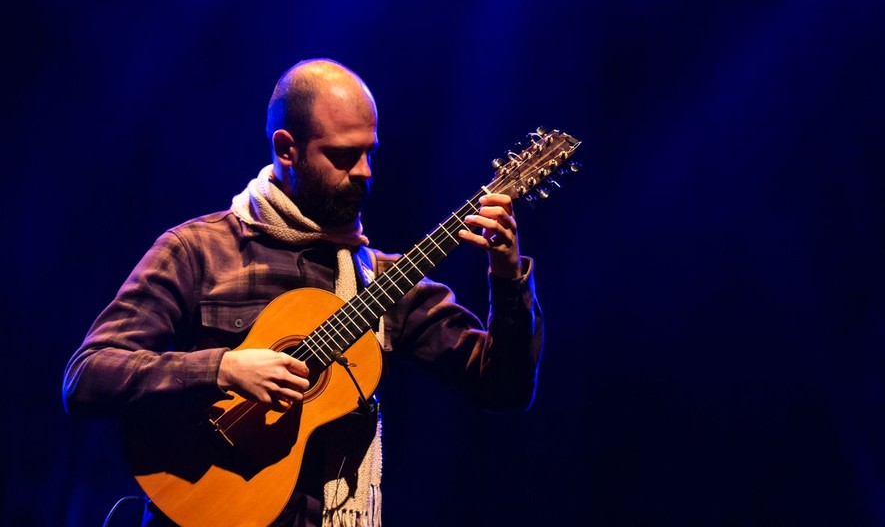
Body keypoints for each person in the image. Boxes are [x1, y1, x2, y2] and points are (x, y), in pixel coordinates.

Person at [62, 58, 544, 527]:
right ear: (287, 149)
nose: (365, 172)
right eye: (343, 156)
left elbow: (505, 389)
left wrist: (506, 278)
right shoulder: (198, 250)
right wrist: (223, 368)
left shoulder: (380, 282)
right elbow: (87, 376)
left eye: (370, 152)